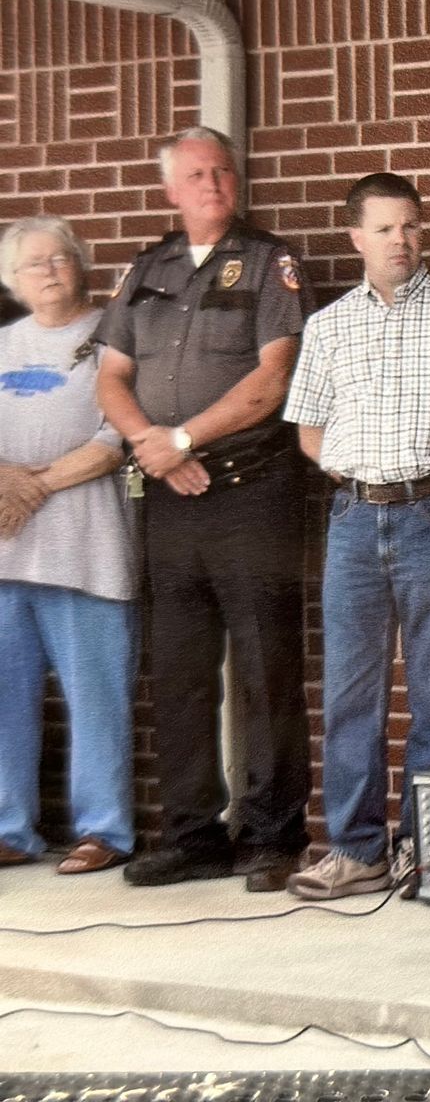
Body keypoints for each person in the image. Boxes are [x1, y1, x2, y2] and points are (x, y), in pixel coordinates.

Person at [281, 172, 430, 900]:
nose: (401, 240)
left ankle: (426, 849)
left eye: (411, 226)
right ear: (356, 236)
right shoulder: (328, 326)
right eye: (385, 228)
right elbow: (309, 427)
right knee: (350, 691)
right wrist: (365, 473)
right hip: (354, 520)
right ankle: (357, 851)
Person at [95, 126, 313, 892]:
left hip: (251, 493)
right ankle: (191, 835)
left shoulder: (268, 262)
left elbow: (274, 378)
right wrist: (151, 446)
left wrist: (182, 437)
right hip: (168, 498)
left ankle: (270, 835)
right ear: (172, 190)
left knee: (265, 668)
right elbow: (111, 376)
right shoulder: (146, 269)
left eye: (223, 170)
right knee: (180, 671)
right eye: (197, 173)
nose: (214, 182)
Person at [0, 217, 137, 875]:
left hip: (86, 549)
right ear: (13, 282)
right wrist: (6, 479)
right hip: (7, 554)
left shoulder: (112, 337)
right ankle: (10, 829)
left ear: (80, 266)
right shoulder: (5, 344)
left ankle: (103, 830)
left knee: (97, 696)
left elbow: (115, 440)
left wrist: (35, 485)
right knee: (4, 695)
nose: (50, 270)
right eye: (34, 263)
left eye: (61, 258)